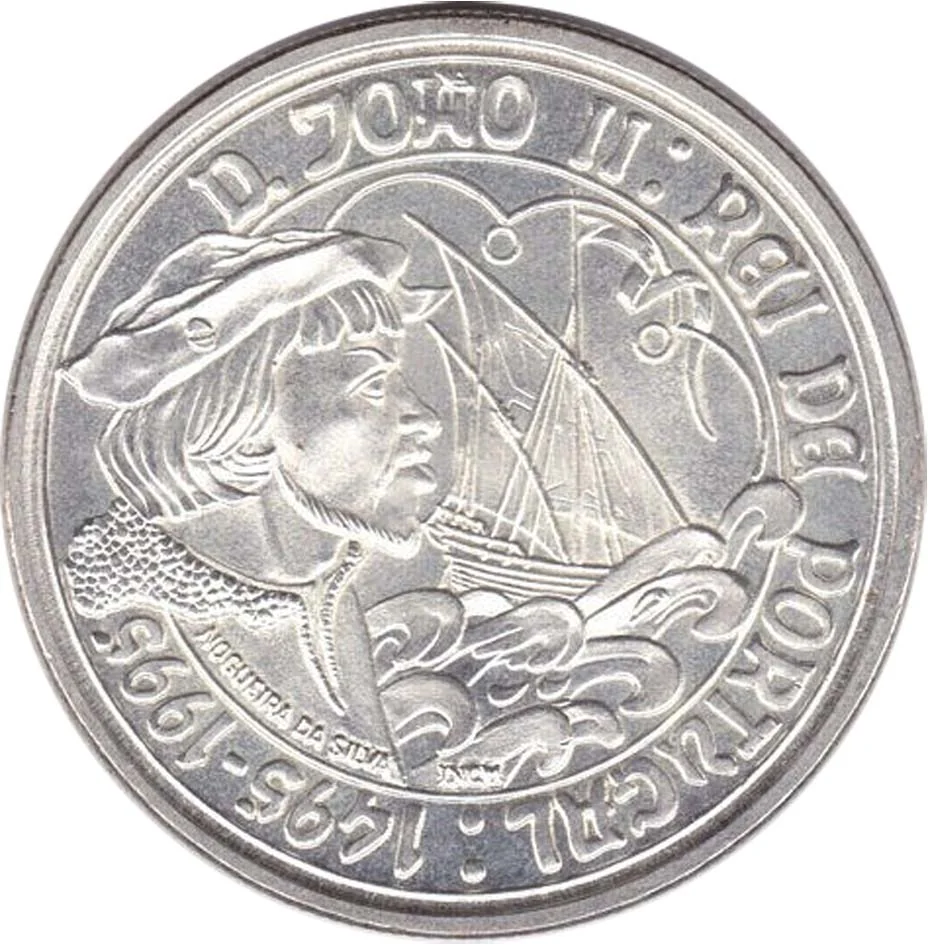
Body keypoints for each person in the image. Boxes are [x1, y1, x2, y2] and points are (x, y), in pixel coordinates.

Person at [61, 228, 750, 789]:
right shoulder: (145, 617)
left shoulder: (318, 596)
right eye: (372, 385)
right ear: (241, 419)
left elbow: (367, 776)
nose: (425, 419)